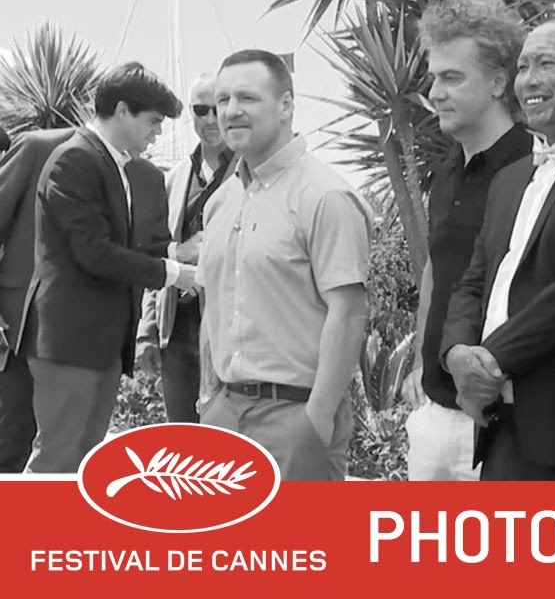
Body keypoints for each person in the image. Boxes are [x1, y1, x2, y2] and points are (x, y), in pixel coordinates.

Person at [440, 15, 555, 480]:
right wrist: (457, 355)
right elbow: (474, 280)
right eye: (524, 67)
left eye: (547, 63)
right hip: (497, 423)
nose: (530, 81)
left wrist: (491, 360)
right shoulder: (511, 178)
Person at [198, 49, 373, 481]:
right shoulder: (221, 202)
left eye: (247, 98)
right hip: (223, 415)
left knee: (304, 549)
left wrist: (317, 418)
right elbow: (212, 301)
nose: (230, 111)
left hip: (297, 418)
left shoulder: (325, 197)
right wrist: (208, 400)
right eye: (222, 101)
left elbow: (349, 313)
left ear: (287, 106)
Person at [24, 62, 195, 473]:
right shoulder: (75, 161)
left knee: (78, 463)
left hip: (97, 347)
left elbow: (125, 245)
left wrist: (175, 254)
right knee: (55, 463)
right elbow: (96, 253)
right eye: (152, 122)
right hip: (71, 345)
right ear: (122, 111)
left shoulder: (112, 164)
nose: (157, 134)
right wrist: (175, 274)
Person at [401, 0, 532, 481]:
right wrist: (418, 360)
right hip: (435, 412)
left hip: (504, 419)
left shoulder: (536, 171)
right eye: (434, 77)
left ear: (500, 82)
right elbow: (438, 269)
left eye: (452, 77)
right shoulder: (447, 173)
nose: (435, 92)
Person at [136, 74, 235, 423]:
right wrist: (147, 331)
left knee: (232, 444)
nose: (210, 119)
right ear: (190, 114)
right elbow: (155, 257)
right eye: (200, 110)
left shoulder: (249, 172)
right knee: (184, 441)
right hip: (176, 330)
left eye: (218, 108)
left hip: (231, 332)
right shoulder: (173, 178)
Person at [0, 126, 75, 472]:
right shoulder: (36, 149)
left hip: (68, 339)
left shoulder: (131, 167)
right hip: (14, 333)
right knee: (11, 445)